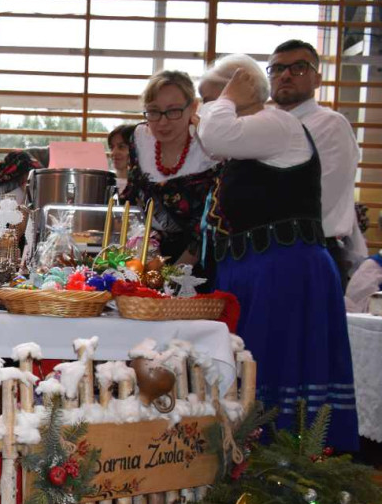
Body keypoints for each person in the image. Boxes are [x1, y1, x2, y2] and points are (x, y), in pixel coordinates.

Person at [198, 55, 358, 451]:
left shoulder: (276, 123)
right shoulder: (252, 139)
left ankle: (283, 466)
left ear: (238, 89)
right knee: (255, 370)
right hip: (259, 270)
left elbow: (214, 134)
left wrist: (227, 99)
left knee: (276, 368)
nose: (205, 109)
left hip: (282, 271)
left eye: (210, 97)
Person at [269, 39, 367, 287]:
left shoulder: (330, 125)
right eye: (278, 69)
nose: (286, 75)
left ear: (317, 79)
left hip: (311, 249)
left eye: (299, 68)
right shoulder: (264, 125)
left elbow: (320, 197)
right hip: (268, 250)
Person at [122, 71, 219, 283]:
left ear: (193, 108)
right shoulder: (140, 139)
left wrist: (173, 276)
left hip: (197, 262)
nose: (162, 122)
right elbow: (132, 198)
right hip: (145, 256)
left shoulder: (209, 148)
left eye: (173, 111)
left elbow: (210, 221)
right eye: (154, 112)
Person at [107, 124, 134, 193]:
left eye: (121, 147)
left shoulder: (144, 188)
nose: (113, 152)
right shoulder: (106, 183)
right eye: (111, 147)